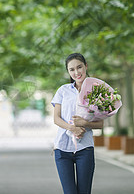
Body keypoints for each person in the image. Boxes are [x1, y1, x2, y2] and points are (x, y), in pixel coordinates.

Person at [51, 53, 103, 194]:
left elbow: (100, 124)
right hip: (62, 149)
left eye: (79, 67)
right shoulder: (63, 91)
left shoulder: (96, 91)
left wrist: (85, 123)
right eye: (72, 69)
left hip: (84, 149)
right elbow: (56, 118)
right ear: (68, 71)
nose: (76, 72)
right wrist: (73, 128)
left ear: (86, 66)